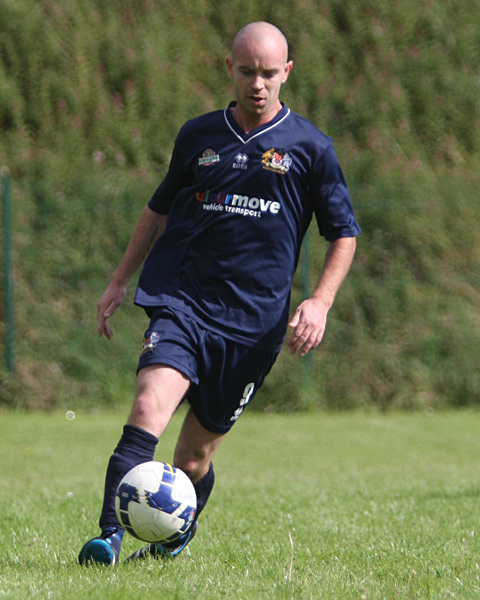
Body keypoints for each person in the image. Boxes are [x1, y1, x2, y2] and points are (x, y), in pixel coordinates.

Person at [78, 21, 361, 566]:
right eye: (247, 71)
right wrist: (119, 280)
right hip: (182, 303)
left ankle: (173, 535)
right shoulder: (198, 135)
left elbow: (343, 233)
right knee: (146, 407)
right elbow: (158, 209)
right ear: (229, 68)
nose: (258, 83)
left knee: (193, 457)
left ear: (287, 73)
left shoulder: (310, 148)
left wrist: (321, 301)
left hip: (254, 327)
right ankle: (108, 538)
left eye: (269, 73)